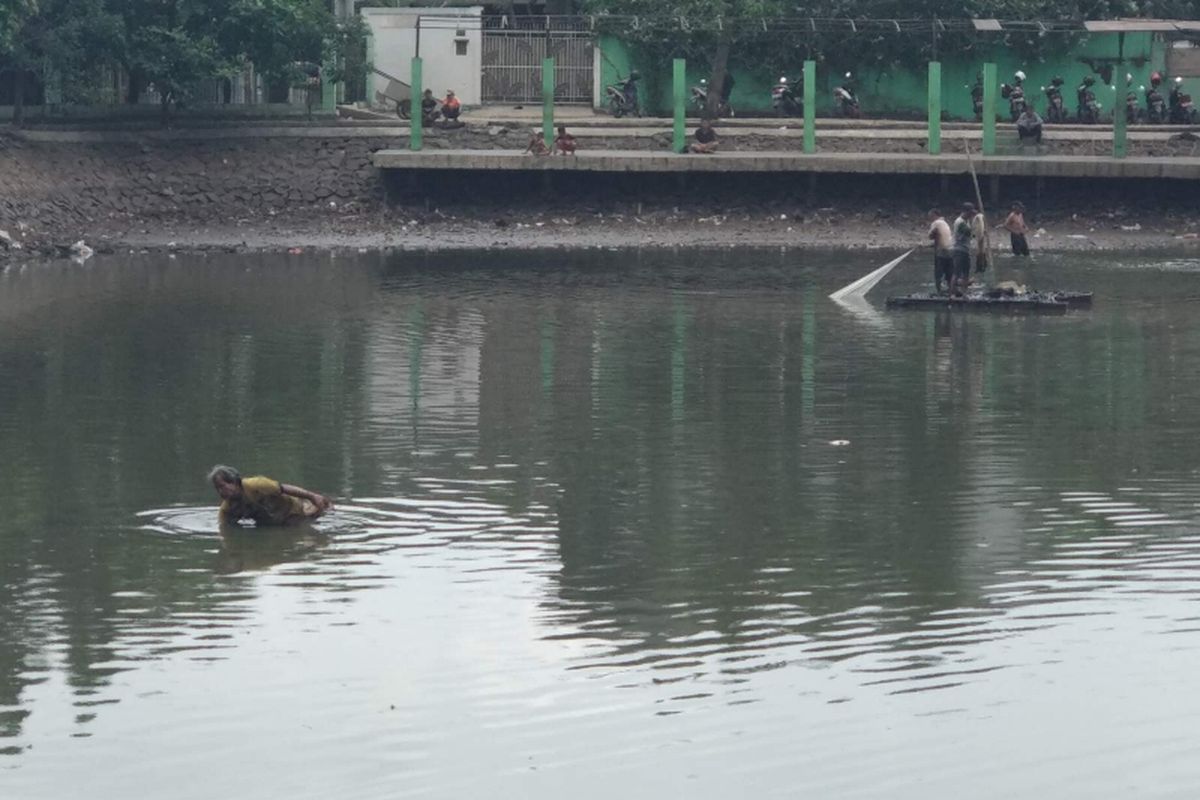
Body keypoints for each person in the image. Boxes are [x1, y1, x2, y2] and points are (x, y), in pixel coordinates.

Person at [209, 465, 332, 527]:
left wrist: (312, 496)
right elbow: (225, 531)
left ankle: (320, 505)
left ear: (235, 482)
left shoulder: (257, 484)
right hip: (271, 523)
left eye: (223, 486)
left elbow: (284, 489)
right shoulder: (227, 510)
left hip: (292, 511)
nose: (221, 492)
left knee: (310, 517)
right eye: (217, 488)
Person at [951, 203, 977, 295]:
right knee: (957, 272)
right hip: (959, 250)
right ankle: (953, 292)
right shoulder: (960, 222)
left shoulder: (966, 221)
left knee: (966, 272)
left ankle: (964, 293)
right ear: (966, 212)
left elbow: (972, 234)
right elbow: (969, 232)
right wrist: (978, 226)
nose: (971, 215)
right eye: (970, 213)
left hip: (965, 250)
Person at [927, 209, 954, 293]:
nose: (930, 218)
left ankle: (938, 291)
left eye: (930, 216)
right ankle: (951, 289)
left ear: (935, 215)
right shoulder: (945, 223)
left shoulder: (936, 223)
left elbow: (930, 236)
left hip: (941, 251)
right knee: (949, 272)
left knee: (938, 272)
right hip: (951, 250)